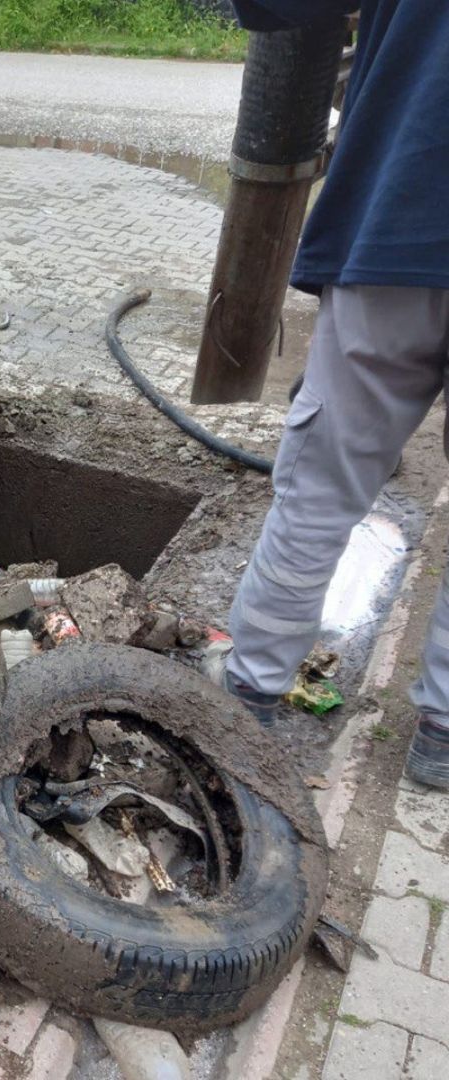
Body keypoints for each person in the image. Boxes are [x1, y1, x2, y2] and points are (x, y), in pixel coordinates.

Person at [208, 0, 449, 790]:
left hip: (402, 213)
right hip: (397, 214)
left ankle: (249, 694)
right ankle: (442, 731)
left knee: (321, 485)